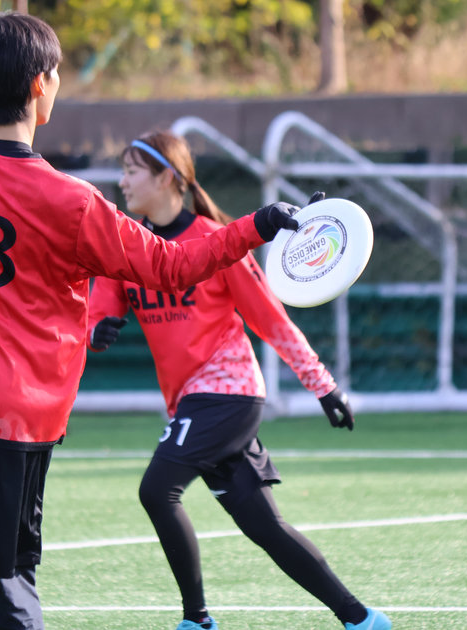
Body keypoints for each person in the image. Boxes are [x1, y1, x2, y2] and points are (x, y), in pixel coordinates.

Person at [0, 12, 300, 630]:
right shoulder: (72, 201)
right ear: (40, 85)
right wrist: (257, 224)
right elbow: (172, 266)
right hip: (19, 418)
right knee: (8, 587)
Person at [86, 129, 392, 630]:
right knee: (264, 525)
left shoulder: (214, 239)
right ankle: (362, 619)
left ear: (166, 177)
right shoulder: (130, 244)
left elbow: (271, 320)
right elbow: (100, 307)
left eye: (131, 171)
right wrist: (95, 329)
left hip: (227, 394)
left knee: (156, 491)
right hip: (192, 403)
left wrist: (322, 385)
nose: (121, 182)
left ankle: (197, 620)